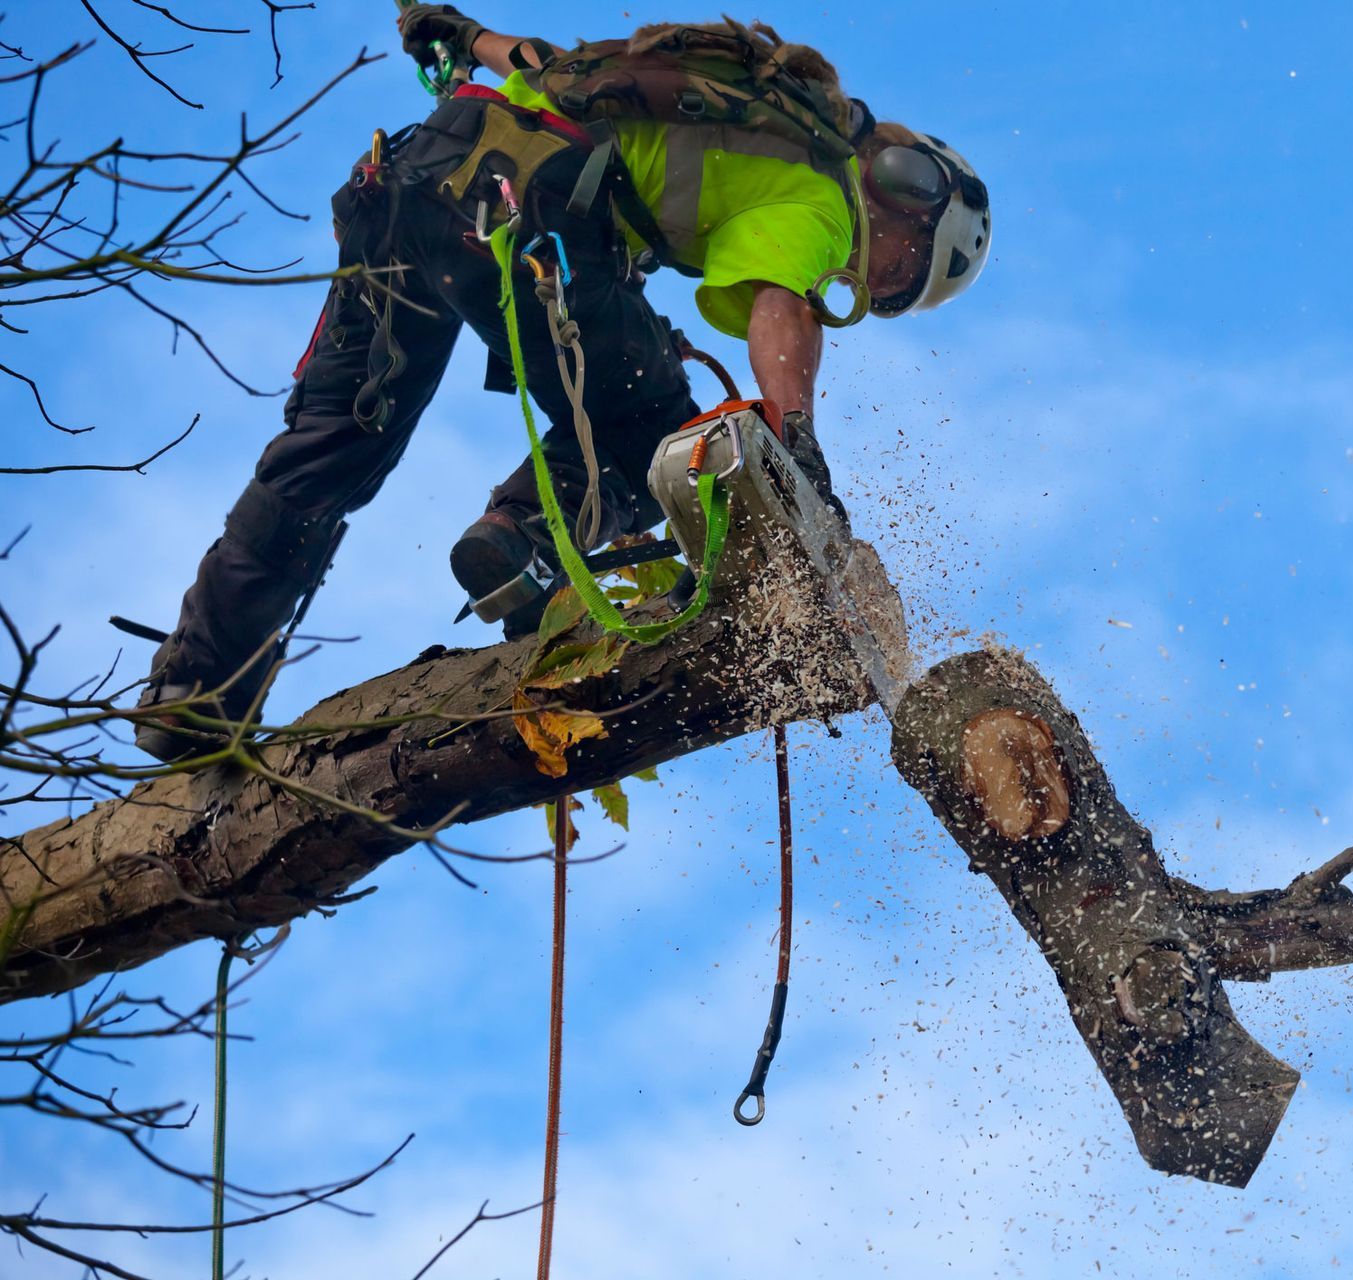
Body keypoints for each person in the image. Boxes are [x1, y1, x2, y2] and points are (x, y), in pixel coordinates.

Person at [134, 10, 990, 762]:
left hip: (407, 184)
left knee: (324, 455)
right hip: (526, 209)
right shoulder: (824, 186)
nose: (876, 283)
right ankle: (520, 538)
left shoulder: (721, 92)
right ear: (908, 209)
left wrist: (463, 36)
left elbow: (539, 61)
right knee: (660, 439)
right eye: (901, 278)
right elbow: (784, 304)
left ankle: (194, 693)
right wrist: (796, 446)